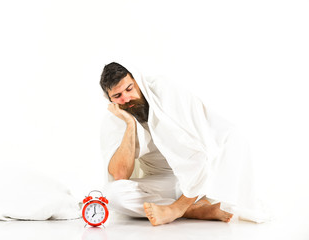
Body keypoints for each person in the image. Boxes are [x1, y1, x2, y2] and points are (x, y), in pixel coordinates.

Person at [100, 62, 266, 226]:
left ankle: (176, 209)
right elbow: (120, 175)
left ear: (138, 81)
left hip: (203, 177)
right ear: (110, 100)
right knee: (112, 194)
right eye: (117, 96)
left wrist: (179, 205)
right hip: (164, 182)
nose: (126, 98)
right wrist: (130, 124)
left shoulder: (166, 91)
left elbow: (201, 150)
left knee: (227, 144)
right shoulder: (116, 118)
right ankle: (192, 210)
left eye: (129, 89)